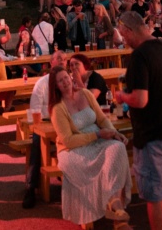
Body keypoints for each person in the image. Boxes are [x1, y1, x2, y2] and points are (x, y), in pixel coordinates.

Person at [114, 11, 162, 230]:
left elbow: (140, 99)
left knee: (155, 195)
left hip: (152, 135)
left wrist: (122, 97)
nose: (123, 40)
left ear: (129, 30)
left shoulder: (139, 56)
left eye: (123, 34)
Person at [50, 65, 132, 227]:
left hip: (97, 140)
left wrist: (114, 132)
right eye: (60, 81)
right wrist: (97, 135)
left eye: (66, 77)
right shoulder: (58, 108)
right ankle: (118, 216)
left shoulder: (85, 94)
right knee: (91, 163)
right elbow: (68, 140)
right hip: (74, 149)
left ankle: (114, 204)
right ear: (56, 86)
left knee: (118, 147)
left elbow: (101, 119)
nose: (65, 82)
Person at [22, 49, 69, 208]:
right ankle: (30, 187)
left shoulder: (67, 82)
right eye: (59, 59)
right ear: (51, 63)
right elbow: (34, 110)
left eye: (64, 60)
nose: (62, 62)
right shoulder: (41, 84)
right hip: (43, 125)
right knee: (37, 145)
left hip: (64, 125)